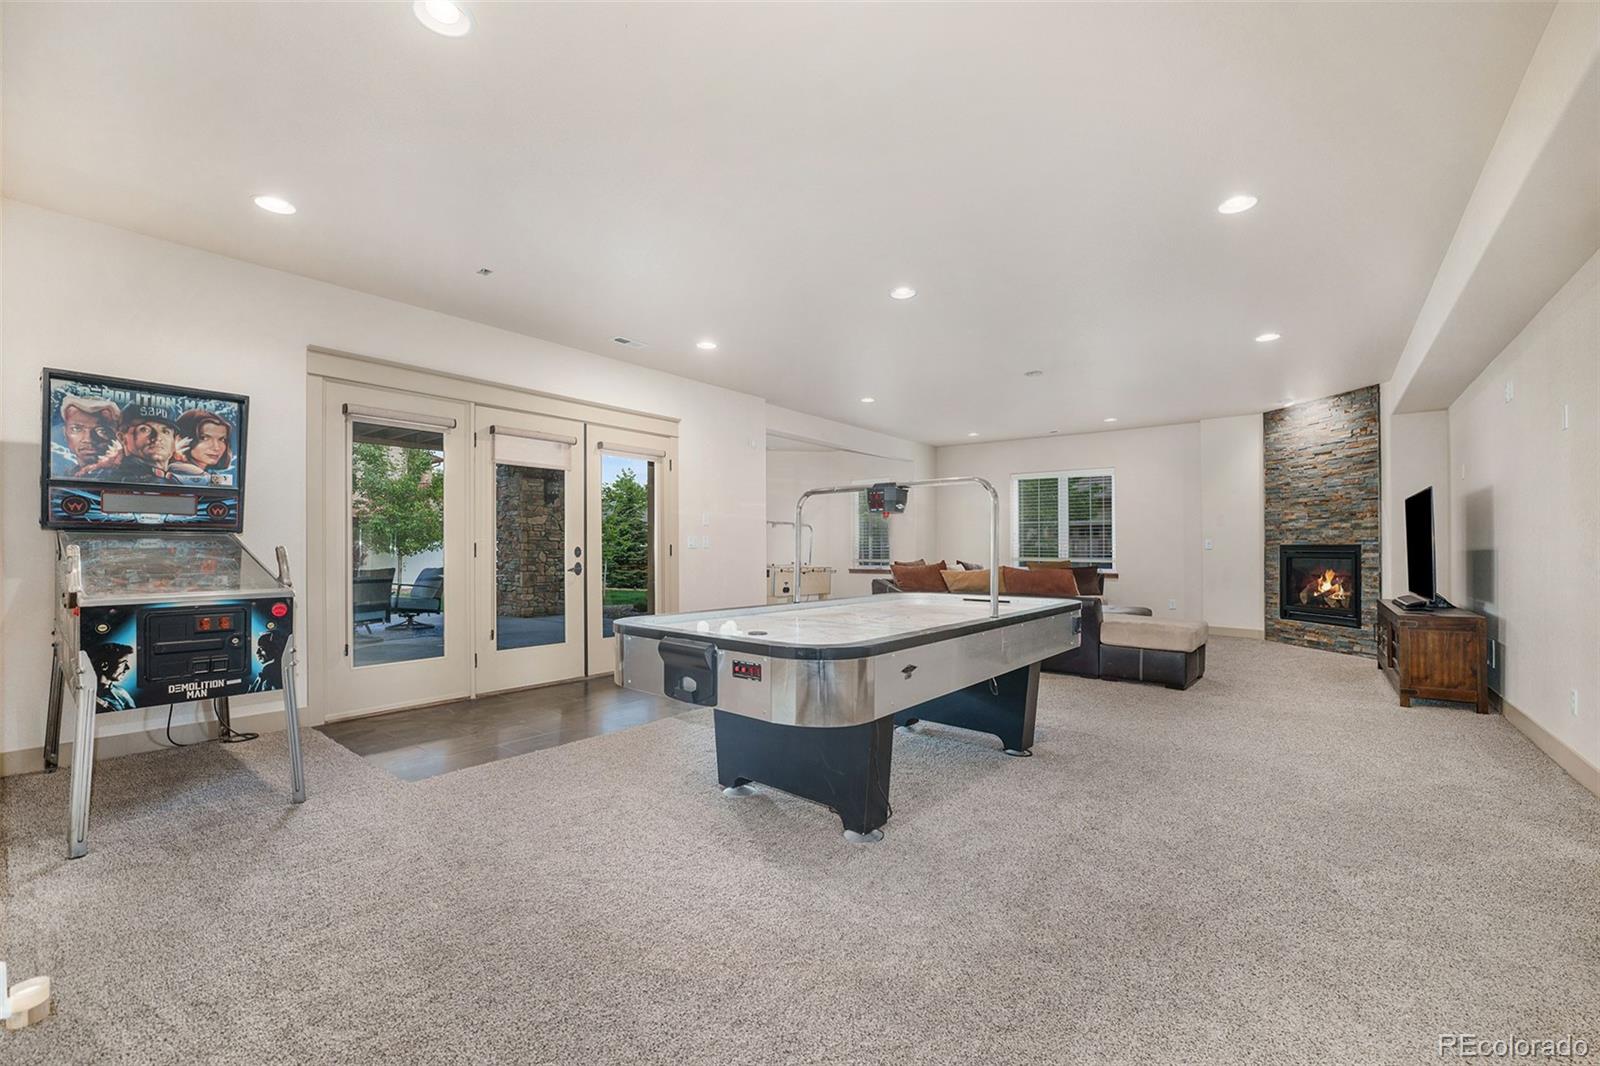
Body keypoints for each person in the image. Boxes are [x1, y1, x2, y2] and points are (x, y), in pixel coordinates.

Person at [80, 402, 183, 482]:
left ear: (174, 441)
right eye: (144, 429)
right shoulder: (103, 478)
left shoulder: (183, 479)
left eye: (165, 431)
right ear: (121, 437)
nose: (157, 437)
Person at [57, 394, 121, 474]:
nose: (88, 439)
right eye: (76, 429)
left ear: (117, 435)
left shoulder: (127, 476)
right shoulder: (67, 475)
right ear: (65, 433)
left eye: (101, 430)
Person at [170, 409, 235, 482]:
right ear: (180, 439)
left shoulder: (210, 475)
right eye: (205, 438)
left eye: (222, 439)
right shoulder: (175, 471)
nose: (216, 447)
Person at [90, 643, 136, 712]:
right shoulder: (85, 694)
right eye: (124, 663)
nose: (127, 668)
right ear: (104, 665)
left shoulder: (122, 694)